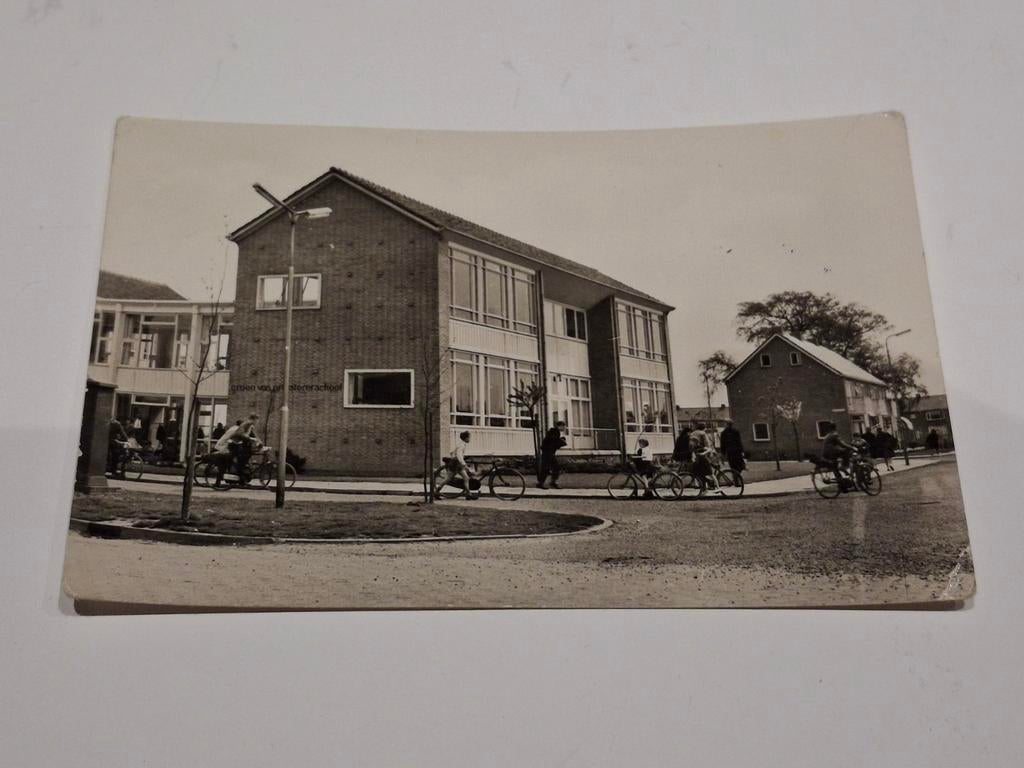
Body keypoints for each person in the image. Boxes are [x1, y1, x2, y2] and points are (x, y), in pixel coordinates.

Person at [212, 413, 260, 485]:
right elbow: (240, 435)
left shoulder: (246, 426)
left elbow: (251, 435)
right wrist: (251, 439)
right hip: (229, 445)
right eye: (257, 420)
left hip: (233, 444)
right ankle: (239, 480)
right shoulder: (242, 426)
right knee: (233, 463)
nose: (257, 422)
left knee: (236, 462)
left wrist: (255, 440)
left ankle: (240, 480)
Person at [538, 423, 567, 489]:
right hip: (548, 452)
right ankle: (546, 483)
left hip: (548, 452)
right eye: (563, 426)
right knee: (548, 468)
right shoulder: (555, 431)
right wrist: (561, 441)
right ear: (559, 426)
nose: (564, 428)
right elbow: (553, 440)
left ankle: (547, 482)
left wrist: (560, 441)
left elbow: (552, 441)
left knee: (551, 467)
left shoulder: (553, 431)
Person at [689, 423, 718, 489]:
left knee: (698, 472)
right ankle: (710, 485)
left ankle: (707, 486)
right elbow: (708, 446)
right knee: (708, 472)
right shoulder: (703, 433)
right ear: (704, 428)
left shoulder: (693, 433)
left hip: (697, 455)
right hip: (703, 454)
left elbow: (690, 446)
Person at [449, 430, 475, 500]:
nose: (470, 439)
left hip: (457, 463)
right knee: (449, 479)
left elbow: (452, 452)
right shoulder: (461, 445)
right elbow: (459, 455)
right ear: (466, 438)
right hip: (456, 463)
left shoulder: (462, 444)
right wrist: (464, 464)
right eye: (469, 437)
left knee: (465, 478)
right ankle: (468, 494)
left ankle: (468, 494)